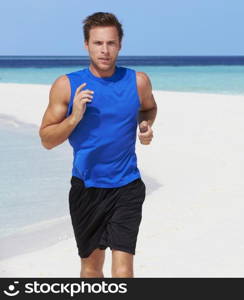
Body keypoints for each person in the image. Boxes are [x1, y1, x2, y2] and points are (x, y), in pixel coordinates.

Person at [38, 12, 157, 278]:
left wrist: (145, 126)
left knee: (123, 269)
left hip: (127, 185)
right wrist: (75, 117)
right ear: (86, 45)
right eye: (98, 43)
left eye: (111, 43)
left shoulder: (138, 82)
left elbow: (149, 108)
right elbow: (47, 139)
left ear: (120, 45)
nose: (105, 50)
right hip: (87, 189)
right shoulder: (67, 86)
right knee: (91, 269)